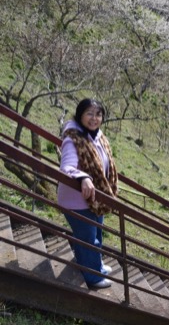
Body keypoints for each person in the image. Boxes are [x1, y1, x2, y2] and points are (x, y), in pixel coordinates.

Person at [57, 98, 118, 289]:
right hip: (78, 200)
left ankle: (94, 265)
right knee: (88, 240)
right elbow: (66, 167)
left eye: (98, 114)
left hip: (95, 199)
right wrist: (83, 177)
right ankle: (93, 277)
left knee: (95, 235)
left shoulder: (96, 135)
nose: (94, 118)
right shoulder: (73, 139)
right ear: (80, 115)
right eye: (89, 114)